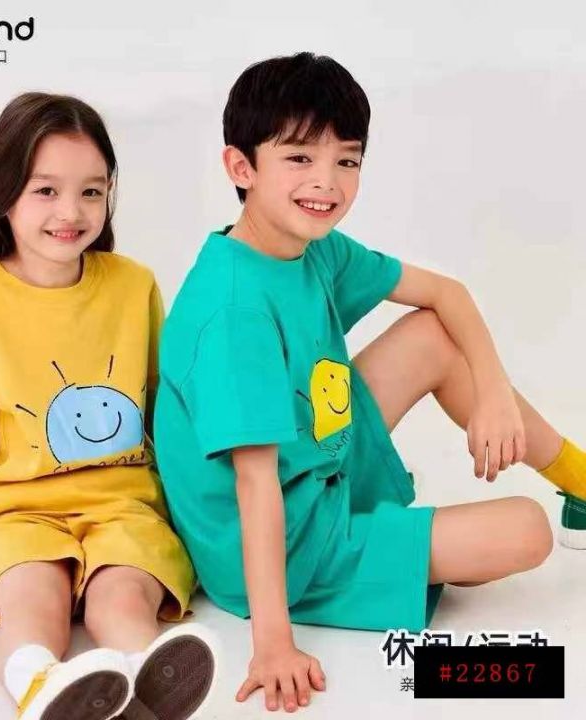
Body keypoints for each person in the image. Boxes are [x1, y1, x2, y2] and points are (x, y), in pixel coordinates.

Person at [154, 52, 581, 713]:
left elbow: (446, 293)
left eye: (346, 160)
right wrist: (273, 643)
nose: (326, 182)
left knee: (432, 334)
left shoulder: (311, 247)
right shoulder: (234, 310)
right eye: (299, 158)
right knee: (527, 531)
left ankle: (578, 478)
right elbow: (255, 484)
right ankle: (391, 549)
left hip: (313, 458)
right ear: (241, 167)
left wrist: (494, 393)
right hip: (283, 547)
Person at [0, 92, 216, 720]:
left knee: (122, 599)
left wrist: (205, 512)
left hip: (124, 506)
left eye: (92, 191)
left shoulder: (134, 285)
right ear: (3, 194)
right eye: (46, 191)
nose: (71, 211)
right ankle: (41, 685)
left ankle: (153, 678)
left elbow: (162, 412)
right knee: (34, 602)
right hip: (17, 511)